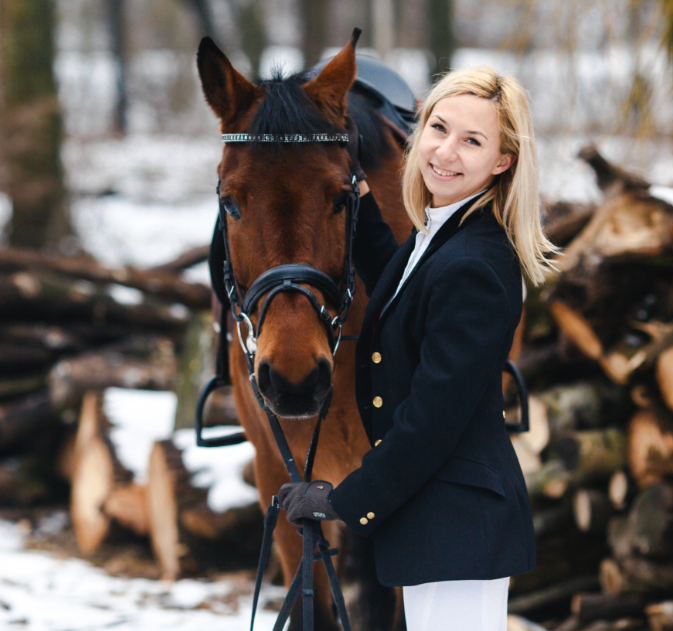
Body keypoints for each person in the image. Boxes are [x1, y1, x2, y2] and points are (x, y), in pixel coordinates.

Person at [277, 66, 559, 631]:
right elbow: (407, 298)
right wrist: (355, 203)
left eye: (472, 141)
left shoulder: (477, 264)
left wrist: (344, 502)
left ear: (502, 162)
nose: (445, 151)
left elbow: (432, 419)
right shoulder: (445, 236)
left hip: (459, 529)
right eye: (439, 127)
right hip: (441, 526)